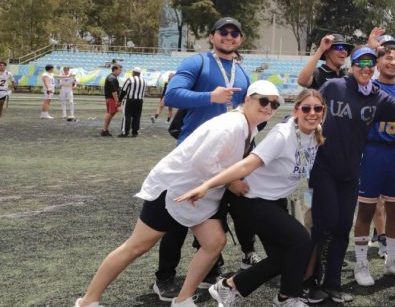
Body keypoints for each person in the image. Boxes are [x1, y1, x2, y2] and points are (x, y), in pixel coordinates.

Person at [73, 80, 283, 307]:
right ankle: (88, 300)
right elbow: (202, 161)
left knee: (213, 242)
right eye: (264, 101)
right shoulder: (232, 125)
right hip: (174, 188)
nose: (268, 107)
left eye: (275, 104)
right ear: (248, 100)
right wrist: (232, 182)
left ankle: (182, 300)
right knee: (137, 246)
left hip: (198, 193)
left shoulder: (247, 125)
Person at [174, 88, 324, 307]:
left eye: (318, 108)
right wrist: (208, 184)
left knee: (284, 256)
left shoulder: (316, 134)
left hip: (275, 201)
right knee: (301, 240)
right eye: (307, 108)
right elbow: (246, 164)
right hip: (251, 200)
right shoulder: (282, 135)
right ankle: (286, 298)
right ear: (295, 110)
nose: (312, 113)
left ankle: (228, 286)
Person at [306, 46, 395, 303]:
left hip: (350, 172)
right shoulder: (334, 86)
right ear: (352, 65)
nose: (366, 68)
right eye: (361, 63)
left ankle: (333, 284)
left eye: (370, 64)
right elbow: (308, 110)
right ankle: (310, 282)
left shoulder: (377, 95)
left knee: (342, 227)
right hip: (324, 168)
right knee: (324, 225)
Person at [152, 17, 253, 301]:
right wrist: (211, 97)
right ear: (212, 36)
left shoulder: (243, 74)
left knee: (213, 217)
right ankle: (164, 278)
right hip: (191, 157)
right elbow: (172, 95)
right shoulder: (197, 63)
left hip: (223, 161)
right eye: (224, 32)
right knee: (176, 219)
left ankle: (208, 271)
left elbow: (250, 112)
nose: (229, 36)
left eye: (235, 33)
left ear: (241, 39)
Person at [353, 43, 395, 285]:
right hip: (371, 151)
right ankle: (360, 265)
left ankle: (392, 261)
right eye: (388, 58)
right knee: (366, 210)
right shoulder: (367, 87)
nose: (392, 62)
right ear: (378, 62)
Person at [118, 68, 147, 138]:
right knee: (137, 116)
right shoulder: (144, 81)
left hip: (130, 100)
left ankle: (125, 132)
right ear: (139, 73)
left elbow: (124, 90)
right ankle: (135, 132)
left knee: (127, 115)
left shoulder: (130, 79)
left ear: (133, 72)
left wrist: (119, 100)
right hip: (140, 101)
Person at [100, 66, 122, 138]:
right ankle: (104, 130)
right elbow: (114, 92)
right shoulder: (112, 78)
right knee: (110, 113)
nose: (120, 71)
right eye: (119, 70)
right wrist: (117, 102)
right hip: (111, 98)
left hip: (110, 98)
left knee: (111, 113)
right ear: (115, 69)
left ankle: (105, 130)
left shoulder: (110, 77)